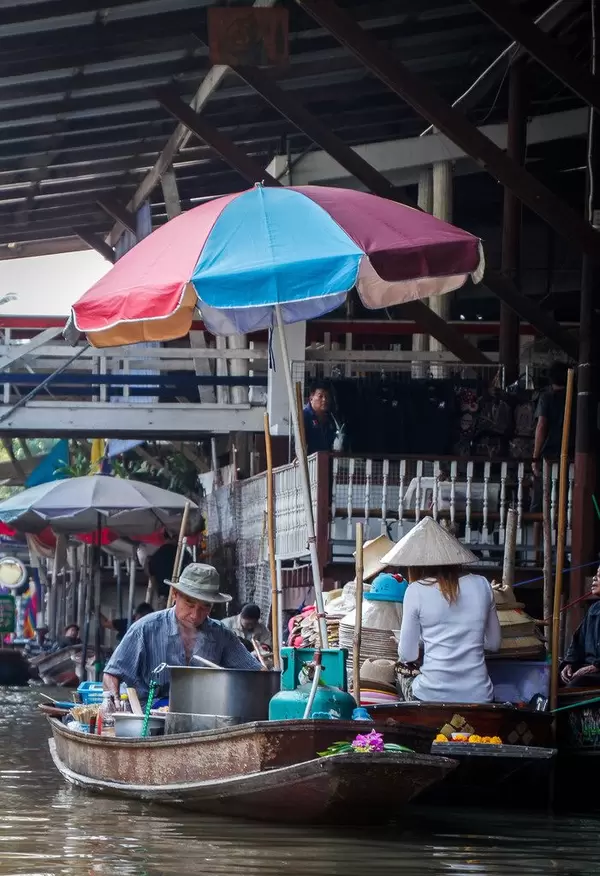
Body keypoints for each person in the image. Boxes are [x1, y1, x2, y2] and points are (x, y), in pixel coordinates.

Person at [103, 563, 261, 703]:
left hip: (203, 720)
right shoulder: (145, 629)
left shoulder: (221, 635)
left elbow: (255, 675)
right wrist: (112, 701)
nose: (195, 615)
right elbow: (112, 674)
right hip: (149, 720)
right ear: (174, 594)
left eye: (205, 607)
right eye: (189, 604)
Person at [384, 516, 501, 703]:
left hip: (430, 694)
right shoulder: (482, 585)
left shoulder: (416, 591)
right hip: (480, 695)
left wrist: (429, 640)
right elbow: (494, 644)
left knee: (399, 674)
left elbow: (407, 654)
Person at [531, 362, 571, 510]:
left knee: (541, 502)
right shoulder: (577, 398)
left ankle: (539, 533)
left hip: (550, 454)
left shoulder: (546, 398)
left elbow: (541, 426)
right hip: (572, 455)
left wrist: (535, 457)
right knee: (567, 501)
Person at [560, 566, 600, 687]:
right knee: (552, 679)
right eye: (596, 574)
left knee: (575, 684)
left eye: (599, 576)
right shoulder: (594, 609)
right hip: (587, 667)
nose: (594, 578)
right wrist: (569, 664)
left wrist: (595, 667)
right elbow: (578, 641)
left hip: (597, 670)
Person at [147, 531, 192, 608]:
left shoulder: (155, 556)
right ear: (173, 537)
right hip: (180, 596)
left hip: (163, 597)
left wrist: (158, 594)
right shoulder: (182, 554)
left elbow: (152, 578)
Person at [302, 383, 342, 456]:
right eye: (320, 396)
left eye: (327, 397)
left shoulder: (330, 418)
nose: (324, 400)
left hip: (327, 461)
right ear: (311, 398)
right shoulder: (303, 416)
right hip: (309, 462)